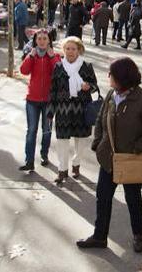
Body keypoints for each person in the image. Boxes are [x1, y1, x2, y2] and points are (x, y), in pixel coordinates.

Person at [76, 57, 142, 252]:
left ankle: (138, 235)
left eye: (111, 75)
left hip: (131, 160)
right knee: (103, 197)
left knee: (133, 198)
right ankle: (99, 237)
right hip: (108, 158)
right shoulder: (111, 94)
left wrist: (136, 148)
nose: (108, 77)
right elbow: (100, 119)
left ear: (122, 78)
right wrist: (98, 143)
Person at [47, 37, 97, 185]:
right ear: (63, 50)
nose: (70, 52)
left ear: (79, 50)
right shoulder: (58, 67)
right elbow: (53, 91)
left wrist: (89, 86)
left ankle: (76, 164)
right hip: (63, 111)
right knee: (62, 142)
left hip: (81, 111)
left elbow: (95, 86)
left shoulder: (86, 66)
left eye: (73, 49)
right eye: (67, 49)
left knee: (80, 142)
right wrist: (50, 112)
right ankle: (62, 170)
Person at [19, 30, 61, 171]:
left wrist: (51, 58)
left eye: (45, 38)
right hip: (32, 100)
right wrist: (30, 57)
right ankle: (29, 161)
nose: (42, 41)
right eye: (39, 39)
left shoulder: (54, 56)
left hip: (49, 101)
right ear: (35, 41)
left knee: (46, 130)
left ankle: (44, 155)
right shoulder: (33, 55)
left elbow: (59, 73)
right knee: (31, 130)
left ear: (49, 40)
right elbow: (24, 71)